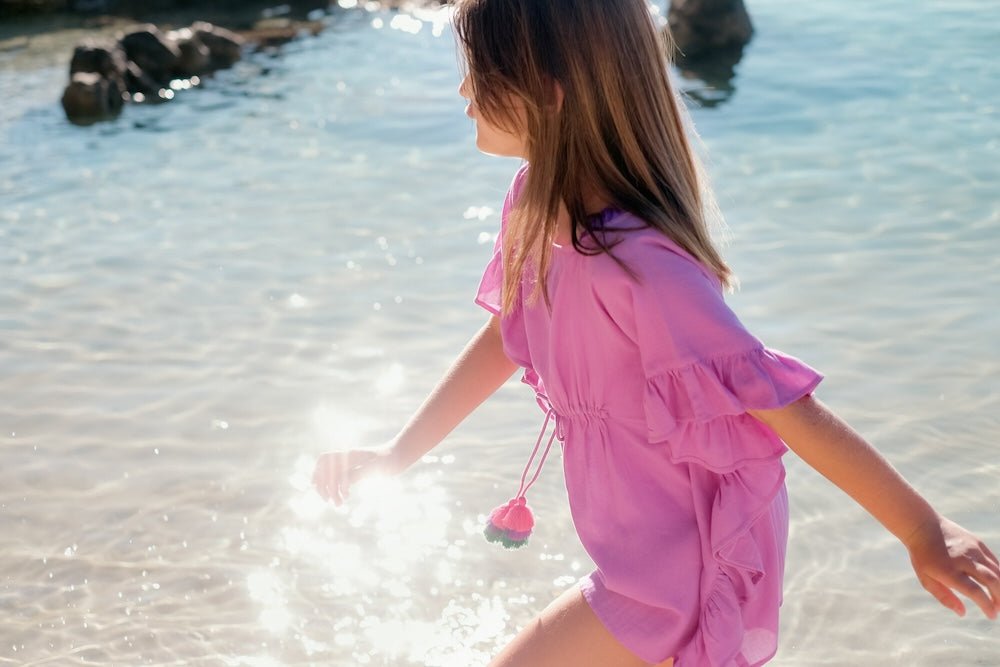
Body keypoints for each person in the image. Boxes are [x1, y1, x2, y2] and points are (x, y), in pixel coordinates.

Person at [312, 0, 1000, 664]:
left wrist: (921, 527)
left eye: (479, 69)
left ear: (548, 93)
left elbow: (786, 406)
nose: (462, 88)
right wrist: (396, 455)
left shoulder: (639, 267)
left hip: (682, 575)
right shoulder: (532, 202)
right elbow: (509, 333)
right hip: (636, 556)